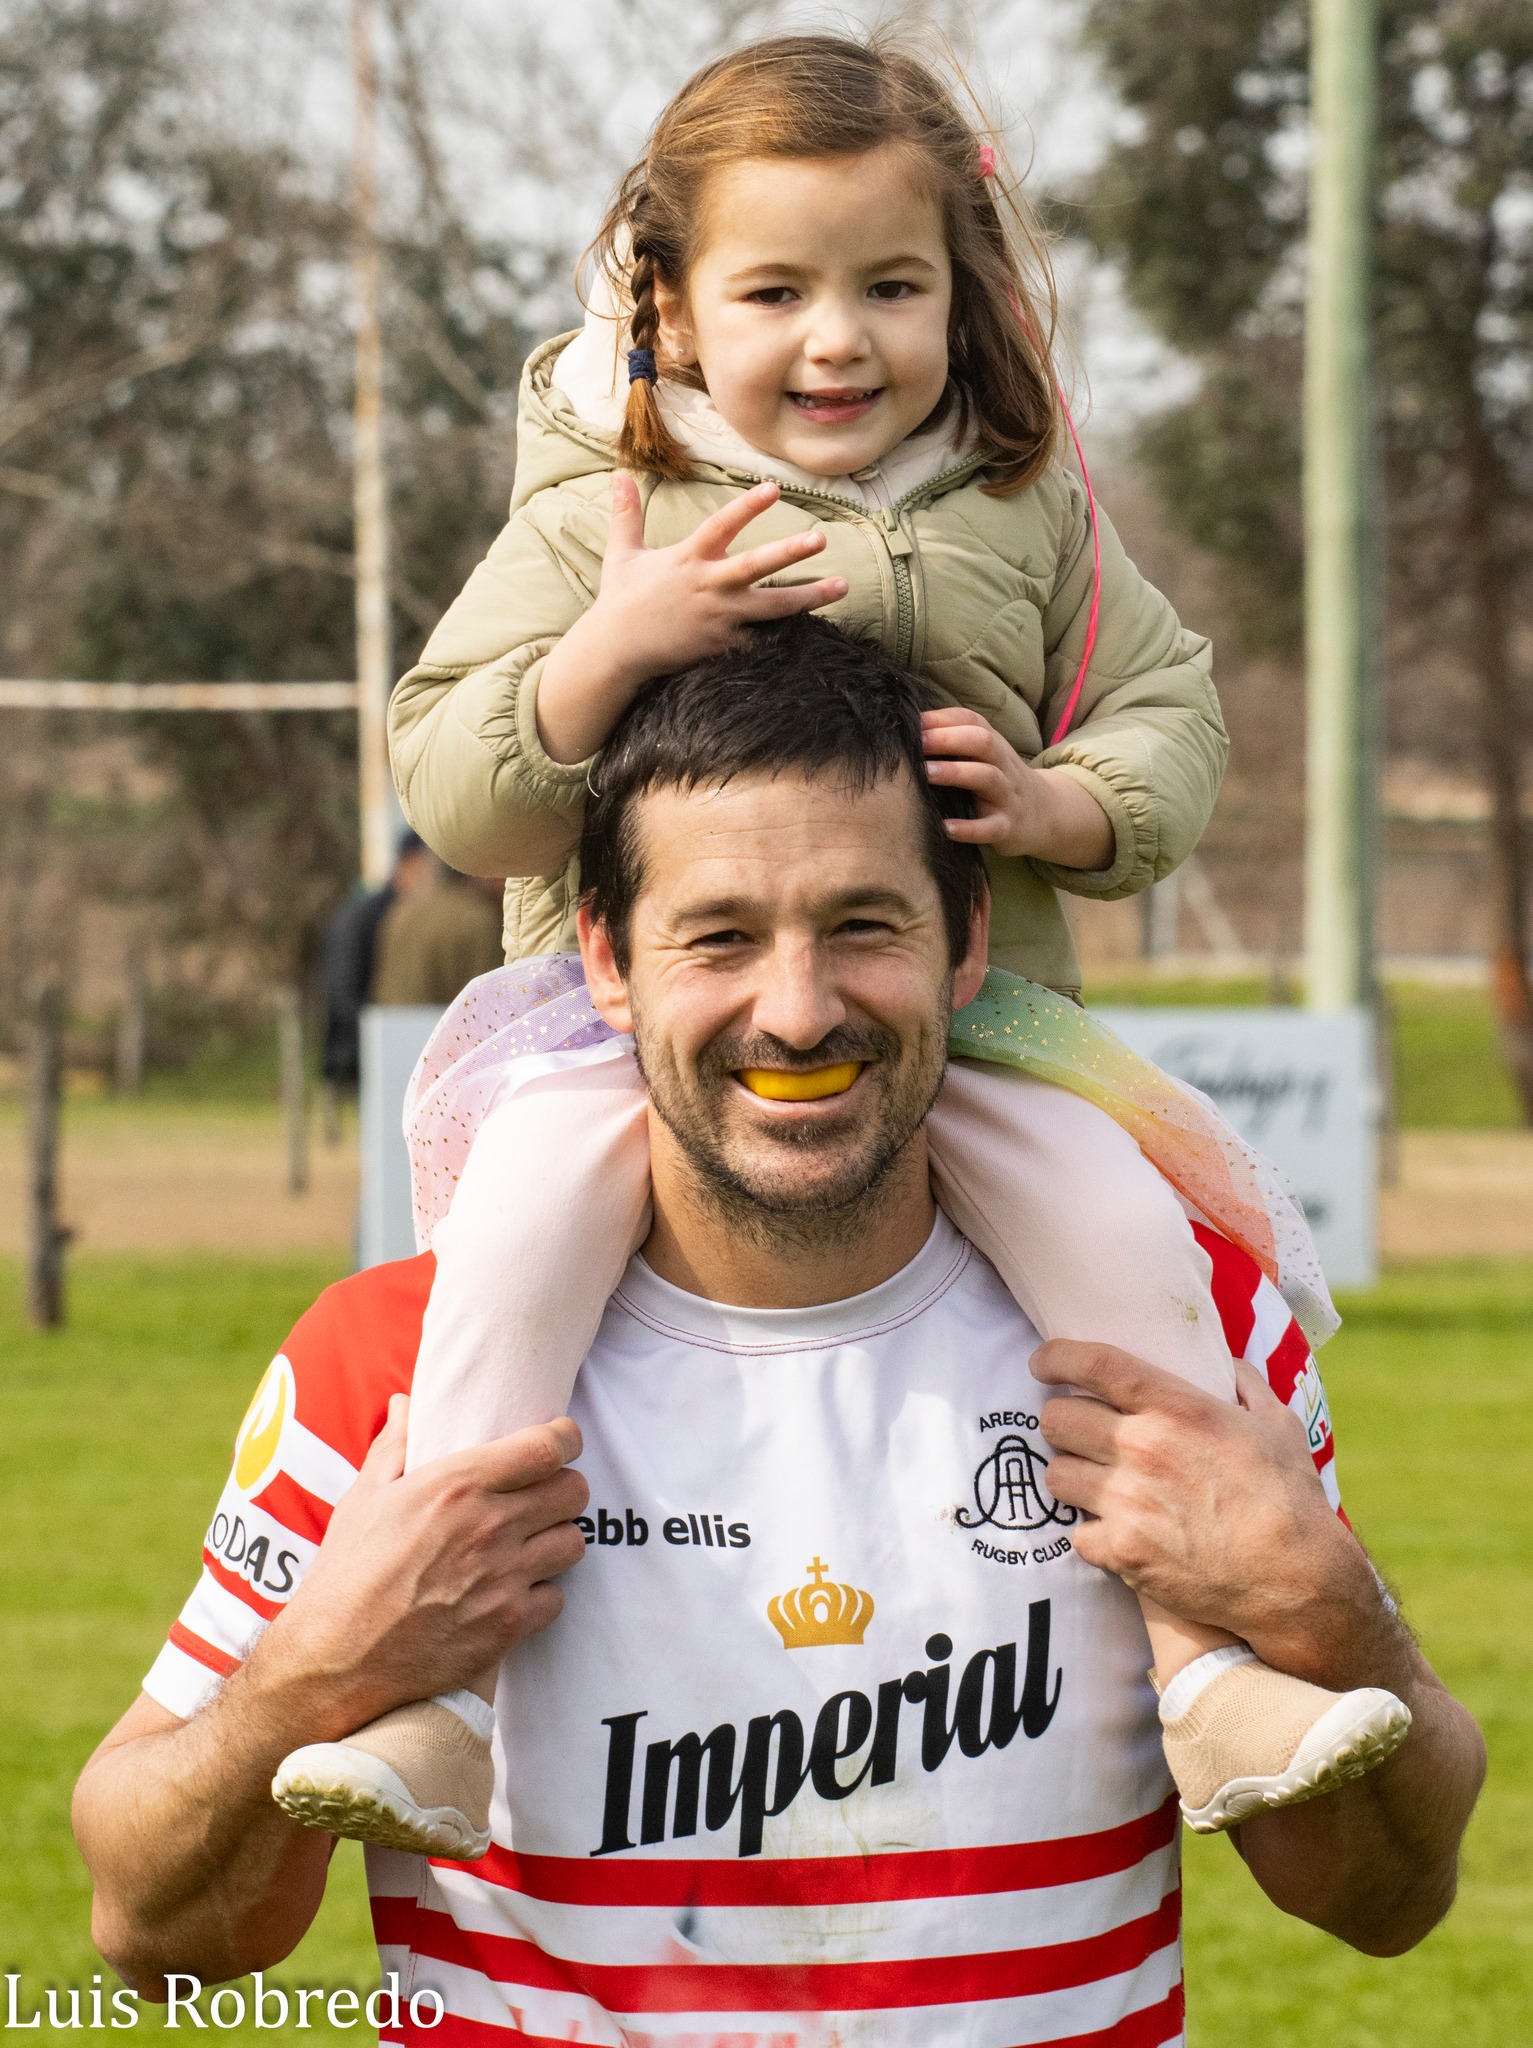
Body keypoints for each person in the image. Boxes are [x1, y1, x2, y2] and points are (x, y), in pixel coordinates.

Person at [301, 32, 1391, 1854]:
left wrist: (1062, 804)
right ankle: (438, 1701)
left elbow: (1169, 712)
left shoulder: (1023, 503)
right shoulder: (600, 511)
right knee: (503, 1256)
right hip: (619, 1047)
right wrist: (607, 644)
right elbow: (450, 777)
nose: (838, 340)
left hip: (977, 1031)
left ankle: (1210, 1673)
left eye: (890, 286)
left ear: (957, 293)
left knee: (1128, 1232)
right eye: (775, 289)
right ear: (662, 304)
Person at [73, 646, 1483, 2045]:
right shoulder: (397, 1368)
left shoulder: (1186, 1339)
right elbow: (150, 1930)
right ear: (607, 958)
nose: (796, 1011)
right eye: (721, 936)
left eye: (864, 925)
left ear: (967, 942)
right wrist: (317, 1678)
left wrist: (1331, 1612)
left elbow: (1380, 1897)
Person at [317, 831, 434, 1093]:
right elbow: (344, 992)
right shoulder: (366, 918)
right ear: (413, 862)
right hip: (362, 1053)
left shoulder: (385, 913)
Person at [369, 867, 505, 1008]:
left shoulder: (402, 908)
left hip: (391, 1021)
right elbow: (484, 999)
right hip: (447, 1024)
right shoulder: (479, 918)